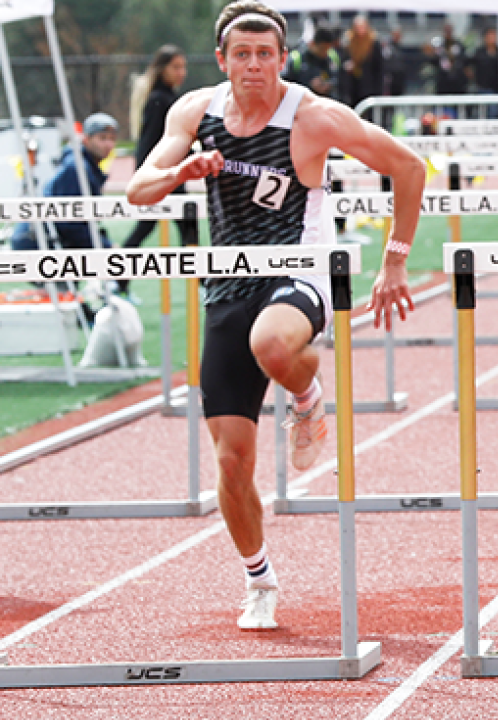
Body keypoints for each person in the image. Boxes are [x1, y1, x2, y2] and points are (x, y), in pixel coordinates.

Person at [126, 0, 427, 632]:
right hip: (228, 287)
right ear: (222, 61)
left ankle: (308, 393)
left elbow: (408, 165)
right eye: (243, 55)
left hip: (300, 273)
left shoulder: (312, 117)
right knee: (232, 463)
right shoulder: (194, 112)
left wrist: (395, 260)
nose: (255, 66)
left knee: (273, 343)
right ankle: (259, 577)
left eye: (266, 55)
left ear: (283, 60)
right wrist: (181, 170)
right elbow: (139, 189)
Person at [122, 45, 200, 290]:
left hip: (170, 175)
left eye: (184, 67)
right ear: (161, 68)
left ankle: (119, 279)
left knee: (182, 226)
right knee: (184, 226)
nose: (182, 72)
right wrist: (147, 177)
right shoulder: (161, 100)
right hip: (164, 177)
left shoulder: (166, 98)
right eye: (176, 67)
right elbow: (151, 143)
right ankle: (204, 279)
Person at [10, 112, 118, 253]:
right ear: (86, 139)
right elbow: (70, 221)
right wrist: (106, 246)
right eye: (102, 138)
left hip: (47, 238)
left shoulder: (84, 165)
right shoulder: (77, 167)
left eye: (112, 139)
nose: (108, 144)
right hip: (37, 240)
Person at [340, 15, 385, 109]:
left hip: (368, 88)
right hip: (353, 88)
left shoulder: (373, 43)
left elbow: (379, 68)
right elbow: (343, 63)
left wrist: (378, 91)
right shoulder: (348, 42)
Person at [284, 26, 341, 100]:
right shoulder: (296, 59)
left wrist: (329, 85)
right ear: (312, 44)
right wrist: (309, 85)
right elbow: (285, 85)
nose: (324, 52)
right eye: (322, 48)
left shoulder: (331, 59)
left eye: (328, 49)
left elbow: (338, 79)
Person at [471, 26, 498, 118]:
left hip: (496, 88)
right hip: (482, 87)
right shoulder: (479, 52)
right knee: (482, 113)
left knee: (494, 113)